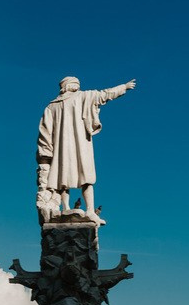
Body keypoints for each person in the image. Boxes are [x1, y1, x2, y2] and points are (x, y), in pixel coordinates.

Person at [36, 76, 136, 222]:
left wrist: (123, 87)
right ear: (67, 86)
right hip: (66, 145)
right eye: (74, 83)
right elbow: (45, 131)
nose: (77, 86)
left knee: (81, 176)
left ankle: (88, 210)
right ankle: (66, 209)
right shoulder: (54, 106)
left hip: (76, 144)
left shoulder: (79, 98)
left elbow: (104, 94)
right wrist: (45, 154)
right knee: (64, 177)